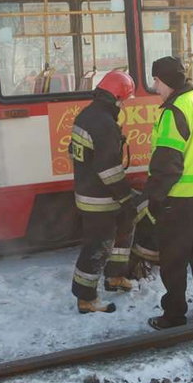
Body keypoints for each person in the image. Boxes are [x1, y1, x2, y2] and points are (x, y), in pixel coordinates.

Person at [144, 56, 193, 329]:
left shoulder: (173, 111)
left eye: (156, 80)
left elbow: (167, 164)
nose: (155, 87)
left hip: (178, 199)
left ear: (166, 80)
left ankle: (174, 313)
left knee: (173, 259)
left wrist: (154, 198)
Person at [69, 70, 137, 313]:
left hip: (88, 191)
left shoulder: (87, 115)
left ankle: (115, 276)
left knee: (126, 227)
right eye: (125, 99)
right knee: (97, 247)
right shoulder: (105, 124)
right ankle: (86, 298)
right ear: (118, 97)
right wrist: (125, 196)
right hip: (100, 198)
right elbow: (109, 169)